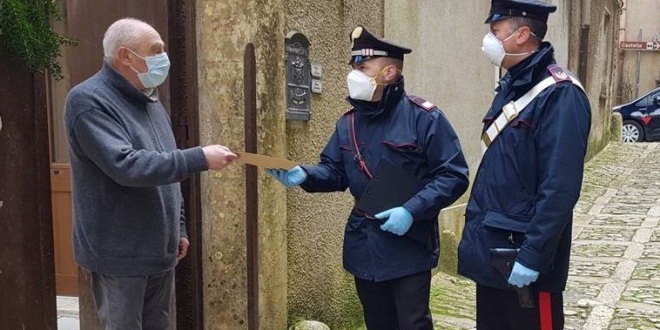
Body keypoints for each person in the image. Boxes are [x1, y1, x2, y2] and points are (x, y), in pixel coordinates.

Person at [267, 25, 469, 330]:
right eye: (354, 67)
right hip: (365, 242)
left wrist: (411, 210)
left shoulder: (424, 118)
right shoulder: (348, 123)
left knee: (412, 324)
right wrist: (304, 173)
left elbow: (453, 175)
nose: (354, 74)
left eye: (363, 67)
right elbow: (335, 172)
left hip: (408, 244)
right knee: (377, 323)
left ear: (389, 73)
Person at [64, 18, 237, 329]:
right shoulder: (88, 101)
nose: (163, 58)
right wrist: (199, 157)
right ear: (125, 55)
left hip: (160, 249)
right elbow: (127, 166)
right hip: (119, 255)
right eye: (155, 50)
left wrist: (179, 226)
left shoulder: (150, 100)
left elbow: (164, 168)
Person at [457, 1, 591, 329]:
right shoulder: (513, 86)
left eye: (495, 32)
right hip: (494, 253)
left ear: (522, 35)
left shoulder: (559, 94)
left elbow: (559, 187)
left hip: (524, 258)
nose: (488, 41)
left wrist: (533, 255)